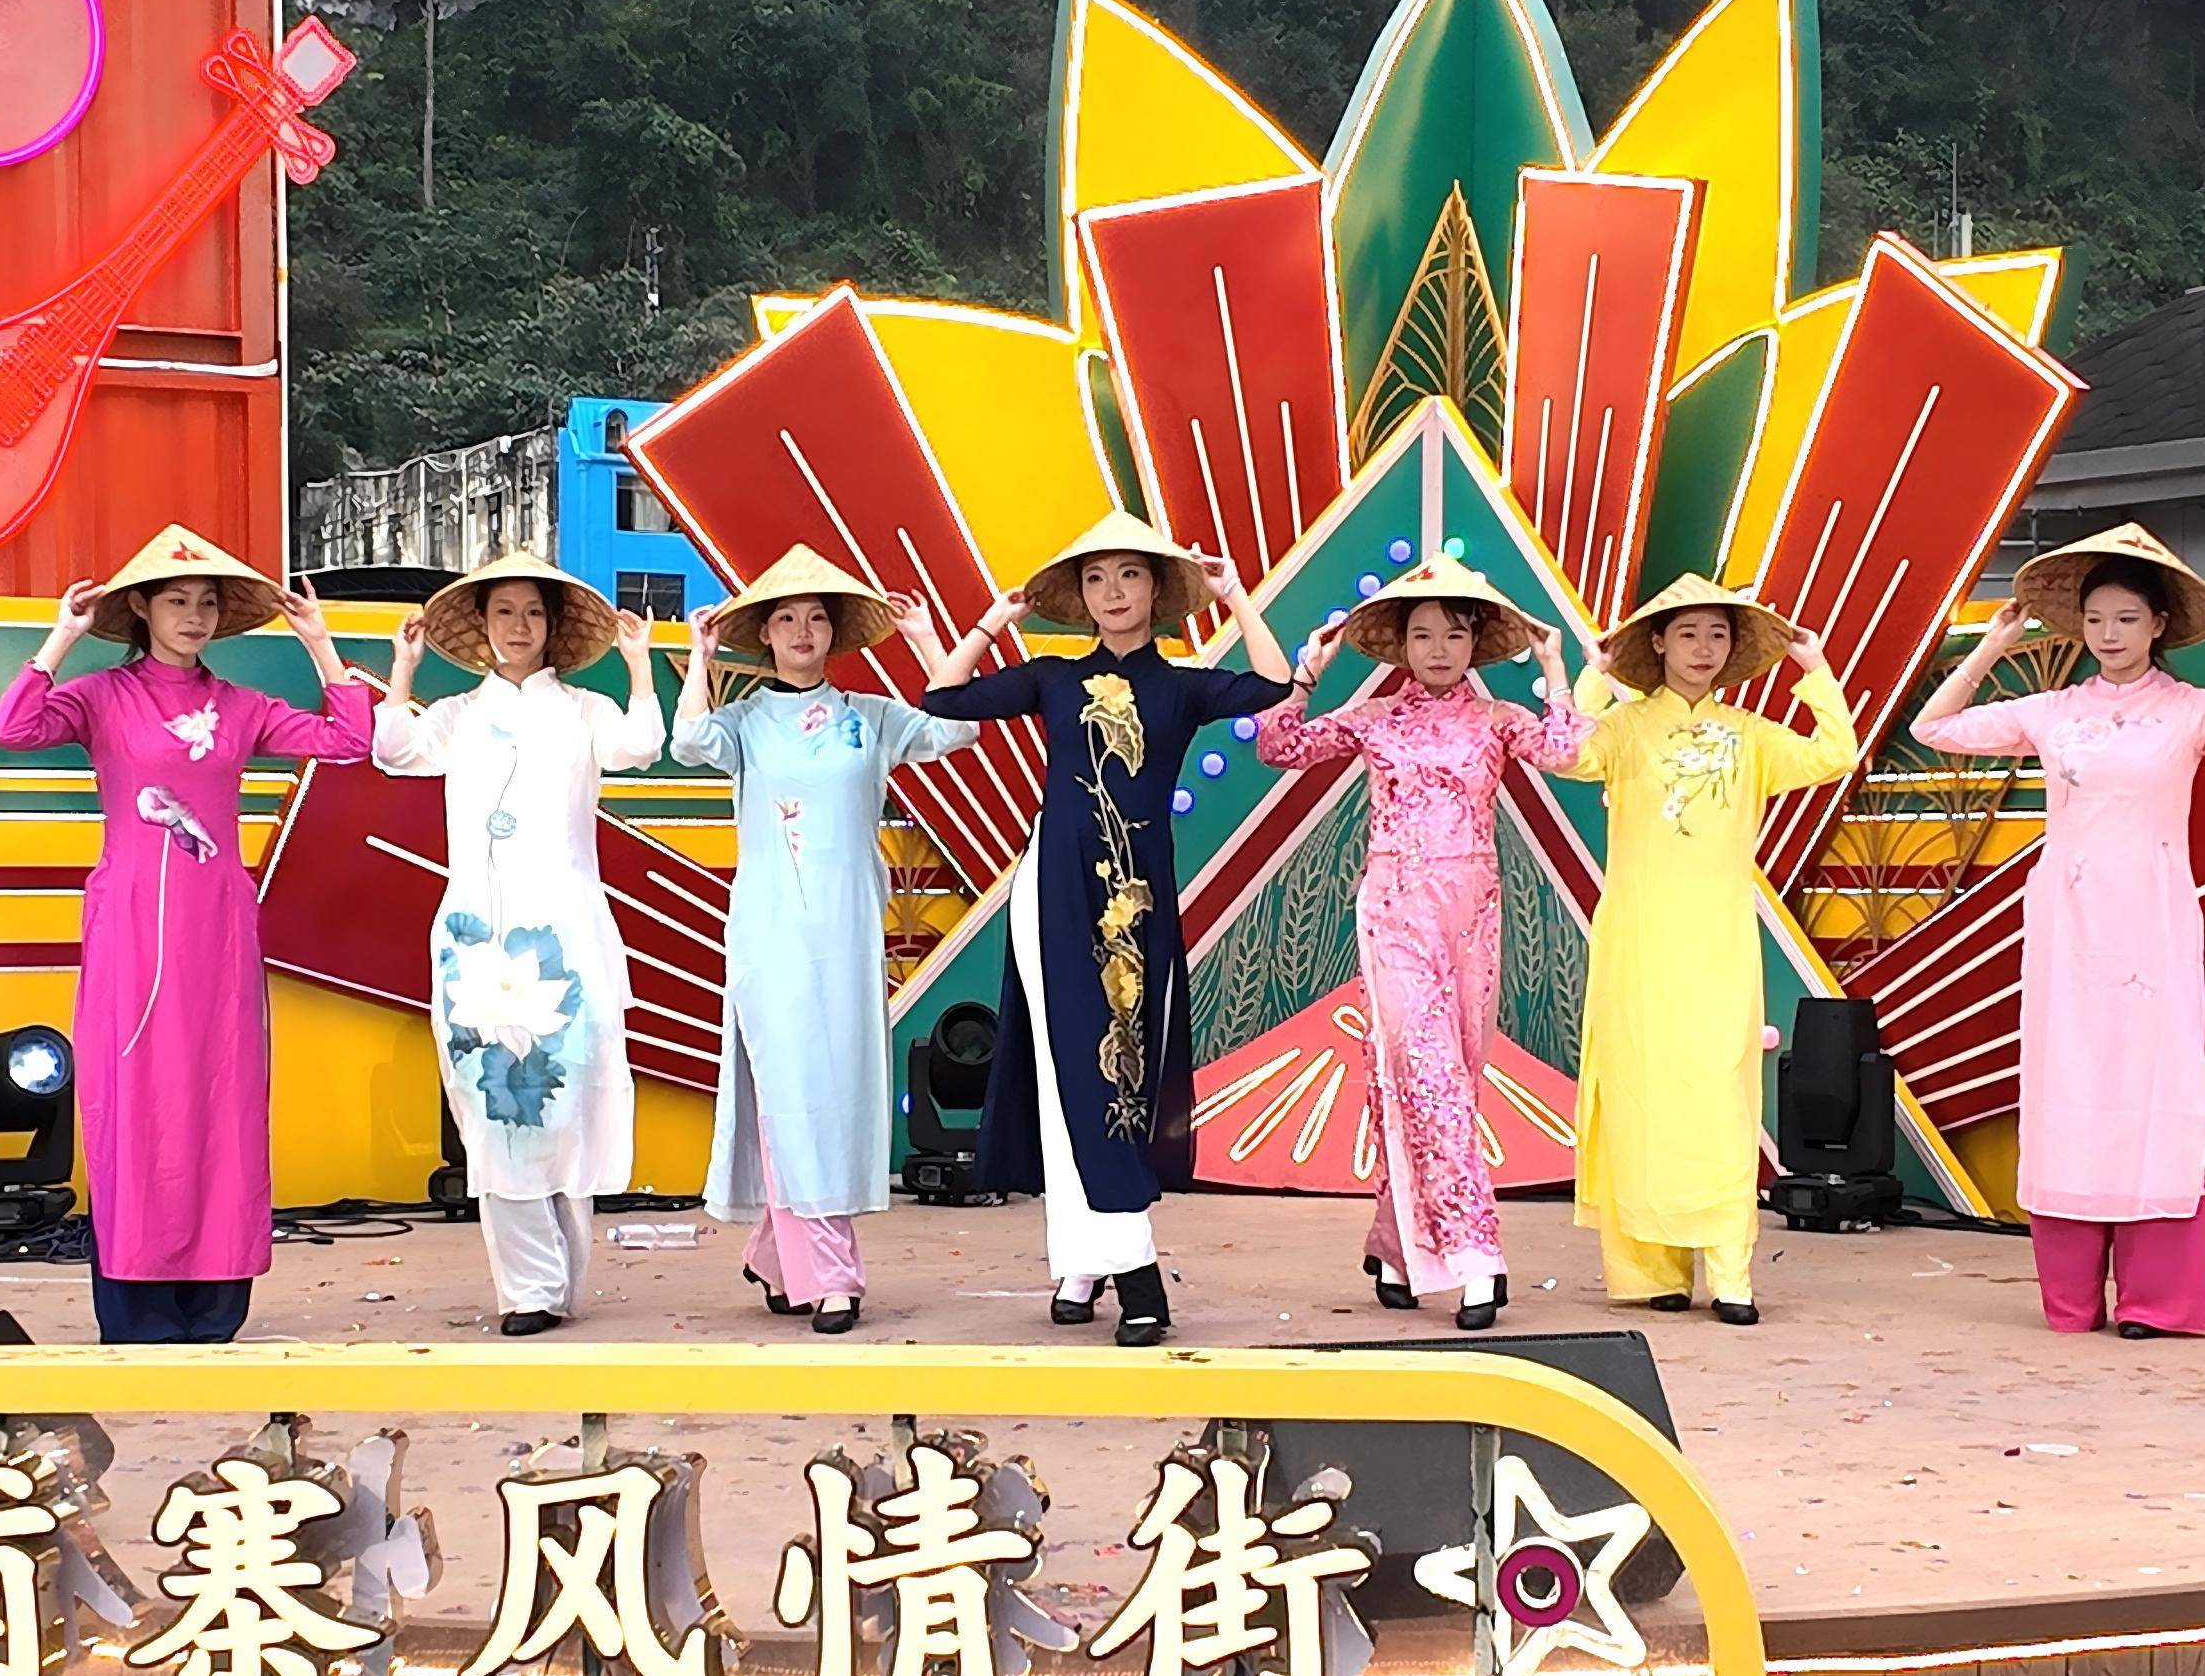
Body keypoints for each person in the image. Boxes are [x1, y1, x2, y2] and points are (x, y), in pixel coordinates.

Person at [1908, 523, 2205, 1340]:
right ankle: (2072, 1300)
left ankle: (2157, 1300)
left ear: (2158, 625)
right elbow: (1933, 730)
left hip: (2153, 916)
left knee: (2156, 1082)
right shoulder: (2053, 712)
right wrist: (1990, 648)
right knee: (2069, 1080)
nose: (2110, 635)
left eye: (2127, 619)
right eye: (2095, 621)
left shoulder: (2191, 712)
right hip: (2069, 917)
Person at [0, 524, 373, 1345]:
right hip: (131, 921)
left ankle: (214, 1302)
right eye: (176, 601)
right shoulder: (103, 697)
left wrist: (320, 644)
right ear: (141, 609)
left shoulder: (241, 707)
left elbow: (348, 741)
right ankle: (139, 1304)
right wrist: (62, 637)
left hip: (218, 924)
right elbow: (13, 727)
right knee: (135, 1096)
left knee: (220, 1096)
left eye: (206, 603)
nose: (193, 616)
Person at [919, 509, 1292, 1346]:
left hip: (1138, 902)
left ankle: (1083, 1261)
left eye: (1129, 575)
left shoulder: (1184, 686)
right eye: (1095, 578)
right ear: (1080, 597)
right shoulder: (1052, 678)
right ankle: (1133, 1276)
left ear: (1157, 591)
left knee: (1119, 1077)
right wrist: (994, 622)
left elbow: (1272, 686)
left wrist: (1235, 595)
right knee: (1072, 1077)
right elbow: (941, 697)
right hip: (1053, 891)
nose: (1112, 592)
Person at [1252, 558, 1586, 1329]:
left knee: (1450, 1082)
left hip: (1473, 913)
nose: (1439, 649)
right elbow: (1278, 747)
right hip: (1395, 911)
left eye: (1454, 635)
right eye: (1423, 635)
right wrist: (1306, 675)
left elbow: (1567, 753)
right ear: (1401, 646)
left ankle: (1396, 1244)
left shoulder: (1499, 719)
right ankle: (1475, 1258)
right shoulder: (1374, 720)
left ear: (1475, 644)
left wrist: (1554, 667)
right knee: (1429, 1078)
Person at [668, 546, 976, 1333]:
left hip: (847, 928)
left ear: (834, 632)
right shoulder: (743, 723)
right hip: (771, 930)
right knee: (790, 1084)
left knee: (833, 1089)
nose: (802, 631)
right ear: (765, 634)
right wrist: (700, 655)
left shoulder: (870, 717)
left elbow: (960, 728)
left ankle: (777, 1251)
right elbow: (688, 743)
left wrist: (925, 640)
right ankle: (832, 1275)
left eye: (815, 618)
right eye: (785, 619)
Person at [374, 549, 664, 1337]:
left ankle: (561, 1278)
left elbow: (641, 745)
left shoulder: (584, 710)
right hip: (477, 937)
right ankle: (526, 1289)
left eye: (534, 612)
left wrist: (640, 666)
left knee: (563, 1100)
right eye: (503, 611)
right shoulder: (455, 716)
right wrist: (402, 671)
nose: (518, 626)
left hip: (563, 934)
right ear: (482, 624)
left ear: (553, 627)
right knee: (494, 1103)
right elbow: (392, 751)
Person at [1559, 573, 1856, 1326]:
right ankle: (1651, 1272)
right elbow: (1566, 754)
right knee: (1641, 1093)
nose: (1703, 648)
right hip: (1638, 940)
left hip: (1719, 940)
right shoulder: (1624, 729)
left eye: (1718, 635)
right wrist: (1594, 676)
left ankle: (1730, 1273)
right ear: (1657, 643)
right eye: (1687, 633)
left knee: (1720, 1096)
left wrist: (1814, 668)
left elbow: (1834, 755)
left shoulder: (1750, 735)